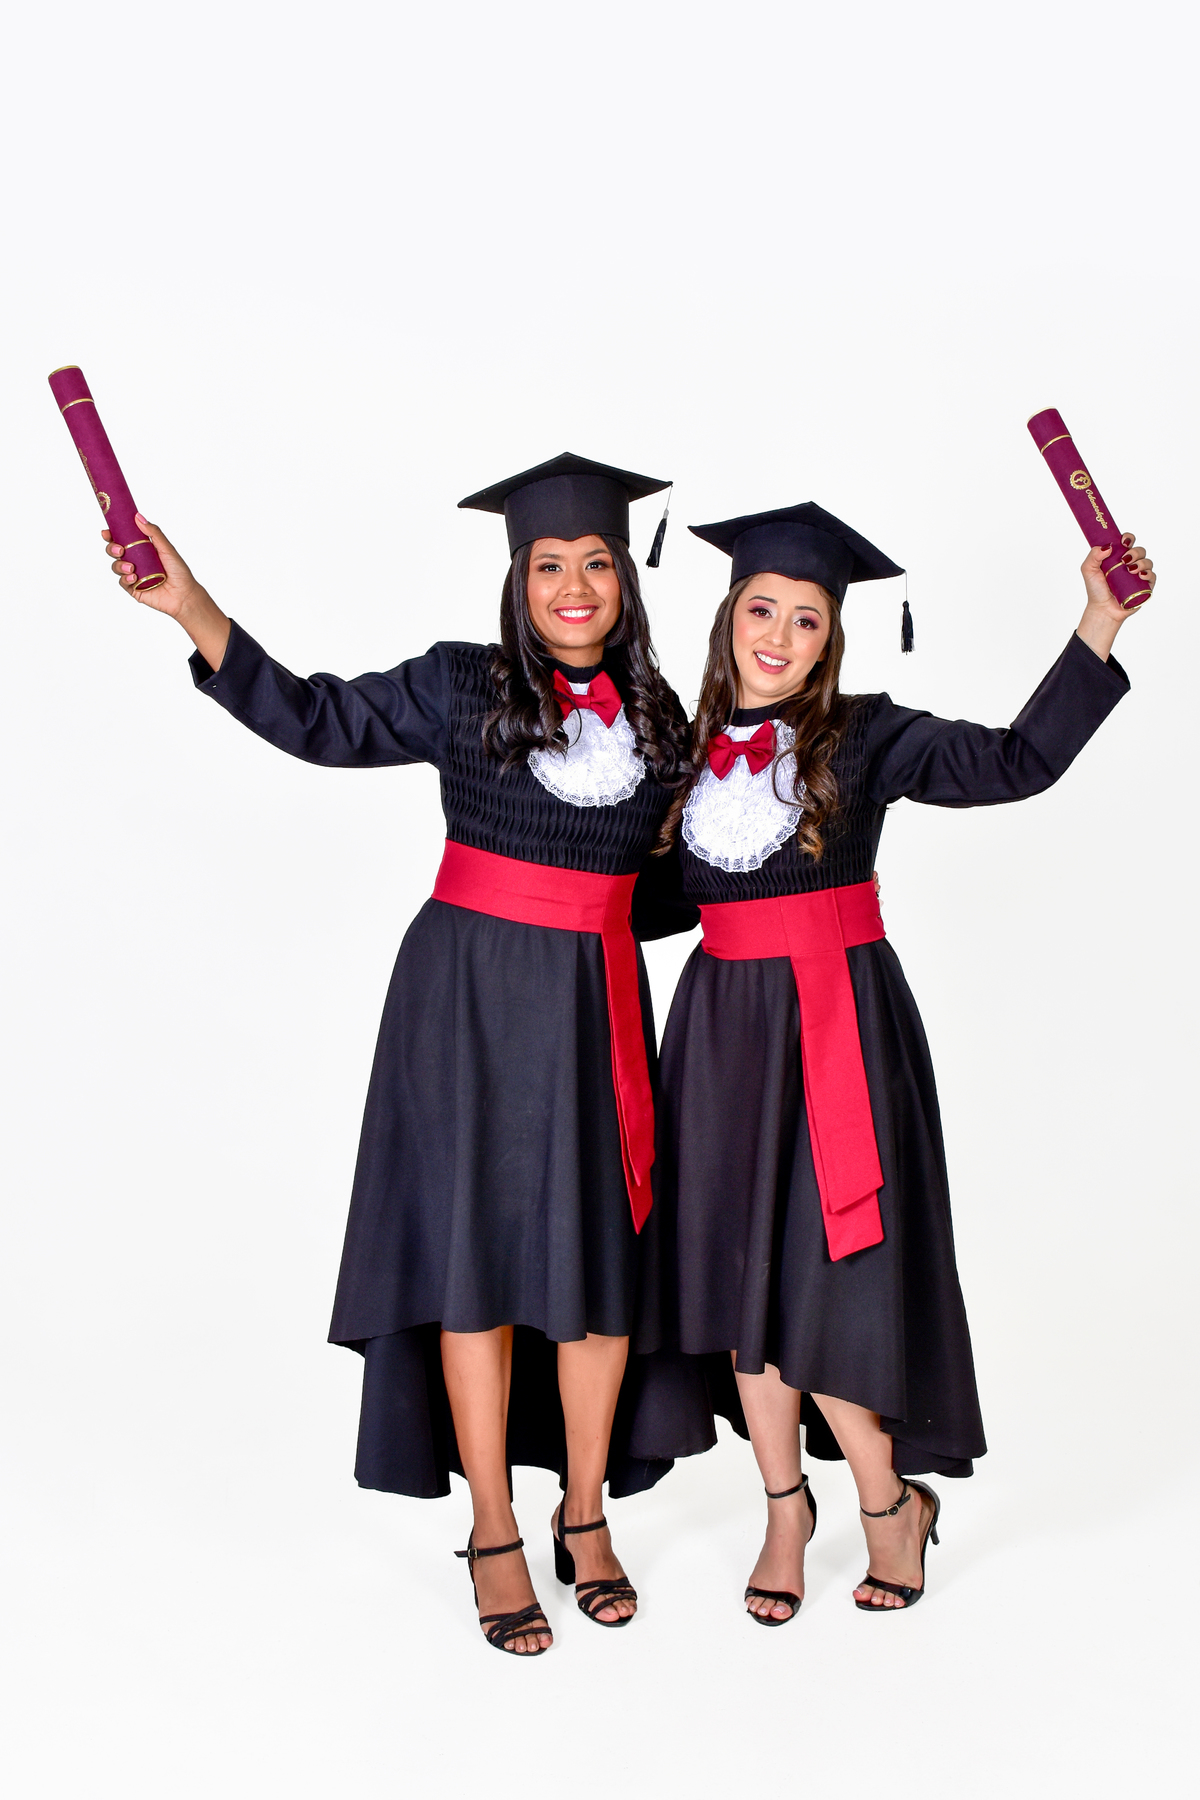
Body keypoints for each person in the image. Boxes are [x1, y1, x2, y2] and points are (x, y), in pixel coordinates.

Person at [103, 453, 698, 1655]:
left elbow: (667, 891)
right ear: (516, 578)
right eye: (548, 565)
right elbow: (317, 720)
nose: (574, 586)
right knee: (474, 1264)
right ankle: (493, 1526)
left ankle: (584, 1512)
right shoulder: (456, 682)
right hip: (462, 1007)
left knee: (598, 1272)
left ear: (626, 581)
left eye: (596, 563)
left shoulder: (661, 721)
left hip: (592, 1012)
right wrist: (192, 606)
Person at [643, 501, 1153, 1621]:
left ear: (833, 637)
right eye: (762, 610)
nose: (778, 636)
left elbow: (1016, 762)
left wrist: (1099, 621)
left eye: (807, 619)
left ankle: (889, 1504)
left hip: (839, 1030)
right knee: (740, 1286)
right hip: (721, 1042)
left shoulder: (867, 736)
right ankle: (786, 1510)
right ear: (729, 616)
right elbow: (643, 905)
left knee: (824, 1284)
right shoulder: (683, 756)